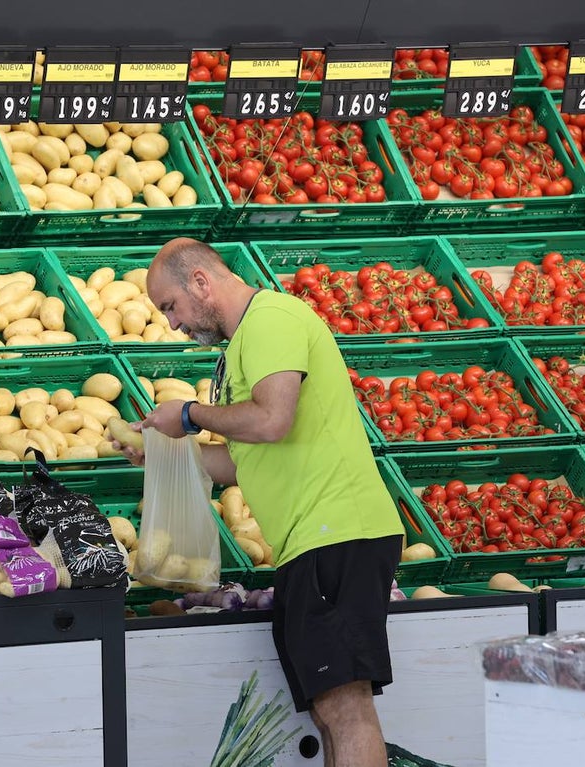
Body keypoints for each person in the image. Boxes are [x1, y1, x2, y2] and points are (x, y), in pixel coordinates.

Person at [115, 237, 405, 767]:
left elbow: (272, 420)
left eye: (171, 306)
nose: (173, 324)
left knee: (345, 708)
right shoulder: (239, 349)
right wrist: (160, 455)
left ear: (200, 281)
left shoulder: (272, 319)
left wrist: (190, 415)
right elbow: (238, 463)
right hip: (308, 541)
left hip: (337, 531)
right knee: (328, 710)